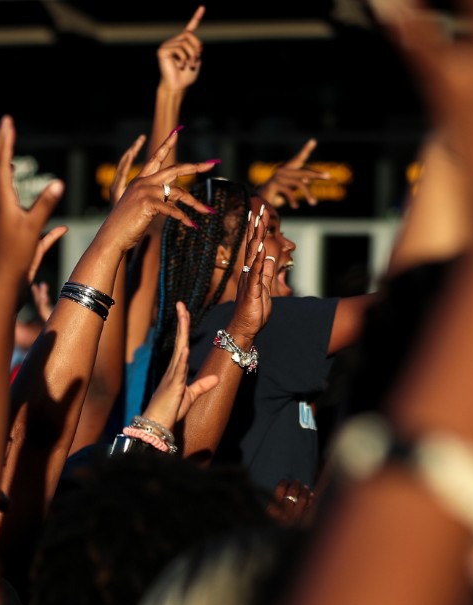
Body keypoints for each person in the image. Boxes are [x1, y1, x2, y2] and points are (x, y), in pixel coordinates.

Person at [146, 177, 372, 490]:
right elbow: (396, 306)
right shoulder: (260, 324)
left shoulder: (208, 325)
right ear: (223, 253)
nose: (289, 244)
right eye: (272, 232)